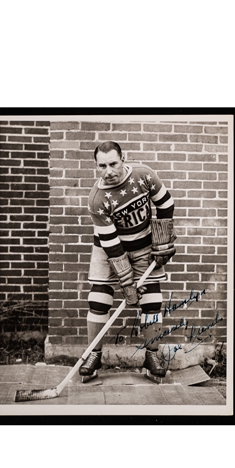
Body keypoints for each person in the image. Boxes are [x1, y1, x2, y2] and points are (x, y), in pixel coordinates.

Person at [79, 140, 176, 383]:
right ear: (96, 167)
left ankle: (151, 355)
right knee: (98, 298)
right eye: (102, 166)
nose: (108, 171)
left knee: (152, 299)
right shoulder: (96, 199)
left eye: (113, 163)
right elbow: (112, 244)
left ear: (123, 159)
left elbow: (166, 204)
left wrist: (162, 241)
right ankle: (94, 354)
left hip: (144, 244)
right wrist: (127, 282)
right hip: (108, 248)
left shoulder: (144, 175)